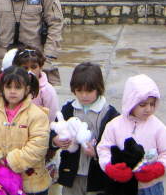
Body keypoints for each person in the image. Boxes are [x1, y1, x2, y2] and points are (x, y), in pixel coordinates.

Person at [97, 74, 166, 195]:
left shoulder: (158, 127)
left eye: (152, 104)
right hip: (121, 187)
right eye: (143, 104)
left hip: (150, 187)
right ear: (131, 102)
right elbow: (103, 149)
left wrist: (157, 169)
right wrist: (110, 168)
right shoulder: (114, 126)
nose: (148, 109)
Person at [0, 65, 51, 195]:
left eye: (18, 87)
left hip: (30, 181)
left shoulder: (37, 115)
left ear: (27, 89)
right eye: (8, 87)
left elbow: (38, 145)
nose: (12, 91)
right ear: (2, 88)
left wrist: (12, 161)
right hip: (0, 180)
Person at [51, 62, 119, 195]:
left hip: (97, 176)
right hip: (72, 174)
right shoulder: (69, 109)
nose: (84, 96)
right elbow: (53, 130)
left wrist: (97, 153)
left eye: (89, 91)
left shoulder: (110, 114)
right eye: (79, 91)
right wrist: (55, 140)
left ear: (98, 88)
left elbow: (117, 146)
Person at [12, 47, 59, 122]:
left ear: (40, 67)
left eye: (33, 67)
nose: (30, 71)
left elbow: (51, 117)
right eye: (25, 68)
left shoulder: (47, 90)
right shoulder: (12, 88)